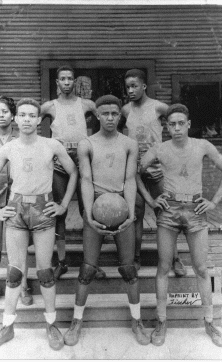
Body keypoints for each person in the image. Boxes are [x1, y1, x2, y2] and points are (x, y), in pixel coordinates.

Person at [0, 98, 78, 352]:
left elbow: (74, 172)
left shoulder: (51, 145)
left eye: (31, 115)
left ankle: (51, 325)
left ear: (39, 120)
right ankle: (7, 327)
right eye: (22, 115)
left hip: (43, 211)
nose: (26, 119)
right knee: (14, 272)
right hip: (16, 212)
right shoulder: (9, 148)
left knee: (45, 272)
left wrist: (64, 204)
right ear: (16, 119)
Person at [63, 95, 150, 347]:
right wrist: (88, 214)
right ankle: (76, 322)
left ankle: (137, 321)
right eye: (105, 113)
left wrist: (132, 213)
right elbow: (86, 180)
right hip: (97, 203)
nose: (110, 117)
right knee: (88, 268)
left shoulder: (129, 143)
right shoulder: (86, 143)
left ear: (120, 116)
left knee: (129, 268)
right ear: (97, 116)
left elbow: (131, 179)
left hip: (122, 203)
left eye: (114, 113)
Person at [140, 103, 222, 347]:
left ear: (188, 124)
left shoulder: (202, 145)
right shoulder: (159, 148)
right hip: (168, 211)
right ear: (166, 127)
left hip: (196, 211)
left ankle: (209, 322)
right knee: (163, 266)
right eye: (171, 124)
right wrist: (151, 199)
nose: (176, 128)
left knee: (200, 268)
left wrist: (214, 201)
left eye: (180, 123)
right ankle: (161, 321)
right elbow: (136, 172)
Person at [41, 65, 105, 280]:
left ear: (74, 81)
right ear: (57, 82)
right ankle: (61, 261)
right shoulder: (50, 106)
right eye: (63, 79)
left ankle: (92, 262)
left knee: (89, 210)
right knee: (59, 210)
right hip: (60, 163)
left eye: (70, 79)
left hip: (83, 160)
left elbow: (106, 122)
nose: (67, 82)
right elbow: (29, 124)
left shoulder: (86, 104)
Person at [120, 69, 186, 276]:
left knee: (166, 213)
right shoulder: (124, 110)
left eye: (134, 86)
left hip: (159, 169)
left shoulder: (158, 107)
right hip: (135, 170)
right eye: (128, 87)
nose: (130, 90)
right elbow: (119, 133)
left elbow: (178, 125)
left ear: (144, 86)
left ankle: (174, 258)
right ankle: (136, 257)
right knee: (136, 214)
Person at [0, 96, 33, 308]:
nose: (1, 115)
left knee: (19, 247)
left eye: (5, 112)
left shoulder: (22, 140)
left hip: (18, 202)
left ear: (13, 115)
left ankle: (23, 285)